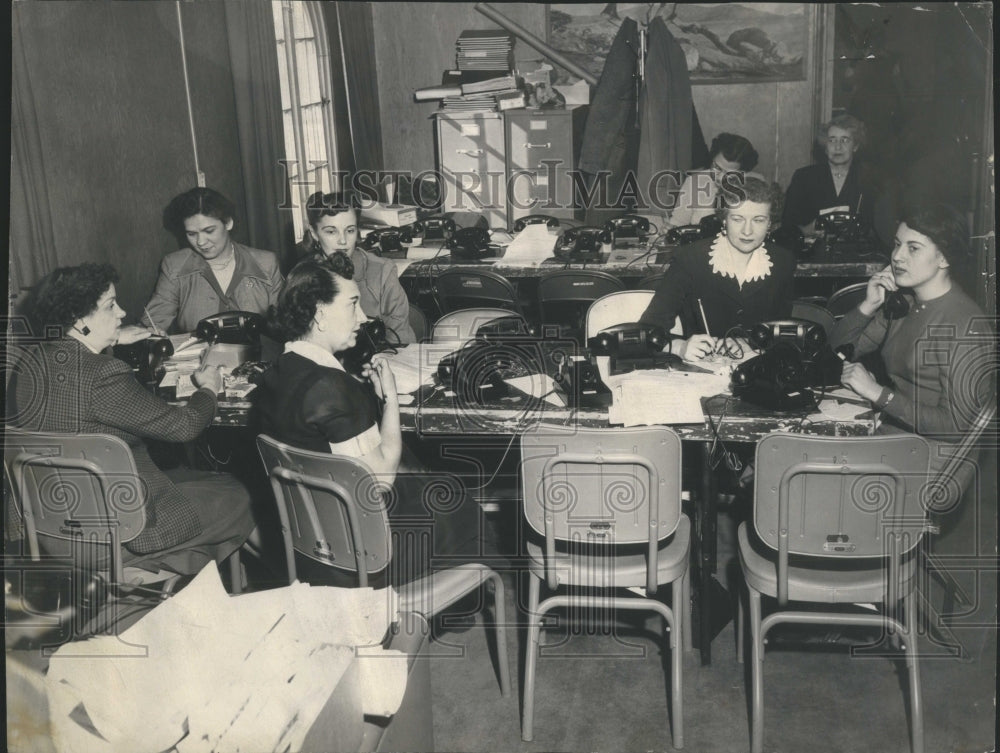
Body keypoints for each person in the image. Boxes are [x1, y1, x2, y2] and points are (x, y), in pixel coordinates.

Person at [6, 263, 256, 575]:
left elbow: (78, 398)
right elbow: (185, 427)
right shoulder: (104, 375)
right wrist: (208, 389)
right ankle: (225, 583)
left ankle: (192, 576)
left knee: (192, 478)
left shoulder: (29, 362)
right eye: (111, 305)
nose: (122, 312)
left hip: (49, 527)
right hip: (113, 535)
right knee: (238, 492)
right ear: (79, 319)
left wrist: (108, 340)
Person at [254, 256, 479, 586]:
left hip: (307, 548)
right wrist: (388, 399)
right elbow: (381, 481)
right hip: (364, 558)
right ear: (319, 314)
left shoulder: (275, 374)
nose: (364, 317)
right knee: (459, 502)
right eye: (352, 305)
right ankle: (452, 606)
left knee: (426, 486)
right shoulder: (331, 385)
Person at [829, 203, 994, 482]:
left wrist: (878, 393)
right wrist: (869, 305)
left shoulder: (965, 325)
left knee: (807, 475)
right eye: (896, 245)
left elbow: (955, 427)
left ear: (944, 259)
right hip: (898, 434)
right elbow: (838, 351)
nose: (896, 257)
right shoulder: (905, 304)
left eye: (913, 248)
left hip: (937, 455)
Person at [640, 176, 796, 361]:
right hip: (700, 371)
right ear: (724, 220)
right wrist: (680, 347)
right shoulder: (690, 258)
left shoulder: (783, 262)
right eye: (737, 219)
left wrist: (752, 343)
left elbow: (780, 331)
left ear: (770, 223)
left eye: (759, 220)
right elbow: (648, 328)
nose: (747, 231)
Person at [143, 187, 283, 334]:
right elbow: (153, 322)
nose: (201, 242)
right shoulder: (174, 266)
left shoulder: (266, 263)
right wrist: (152, 333)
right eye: (191, 234)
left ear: (228, 223)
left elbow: (283, 323)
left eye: (209, 231)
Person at [294, 191, 415, 343]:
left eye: (350, 230)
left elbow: (399, 339)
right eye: (331, 232)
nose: (343, 241)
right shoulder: (302, 277)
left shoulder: (383, 272)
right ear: (314, 233)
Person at [782, 114, 877, 236]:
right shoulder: (804, 177)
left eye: (845, 140)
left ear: (855, 146)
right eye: (832, 140)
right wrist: (806, 231)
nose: (837, 147)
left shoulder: (869, 179)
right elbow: (787, 225)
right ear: (825, 147)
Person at [668, 132, 760, 228]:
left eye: (729, 174)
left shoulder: (755, 185)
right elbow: (678, 223)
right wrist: (670, 229)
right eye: (716, 167)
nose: (719, 177)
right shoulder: (693, 182)